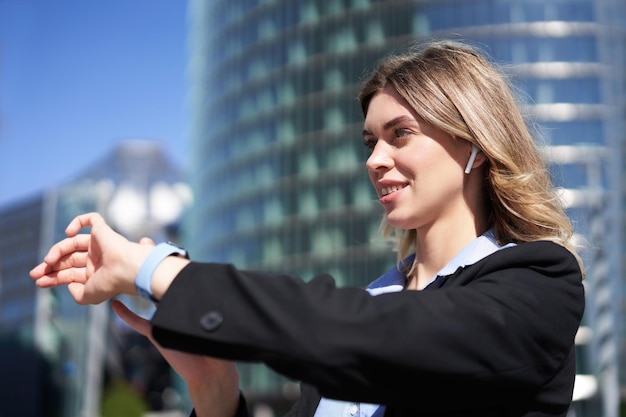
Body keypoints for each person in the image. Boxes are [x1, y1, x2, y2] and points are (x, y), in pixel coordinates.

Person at [30, 40, 585, 417]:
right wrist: (215, 389)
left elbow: (377, 336)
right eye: (370, 141)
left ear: (474, 146)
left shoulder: (538, 282)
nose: (374, 160)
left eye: (400, 134)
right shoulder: (377, 296)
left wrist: (153, 270)